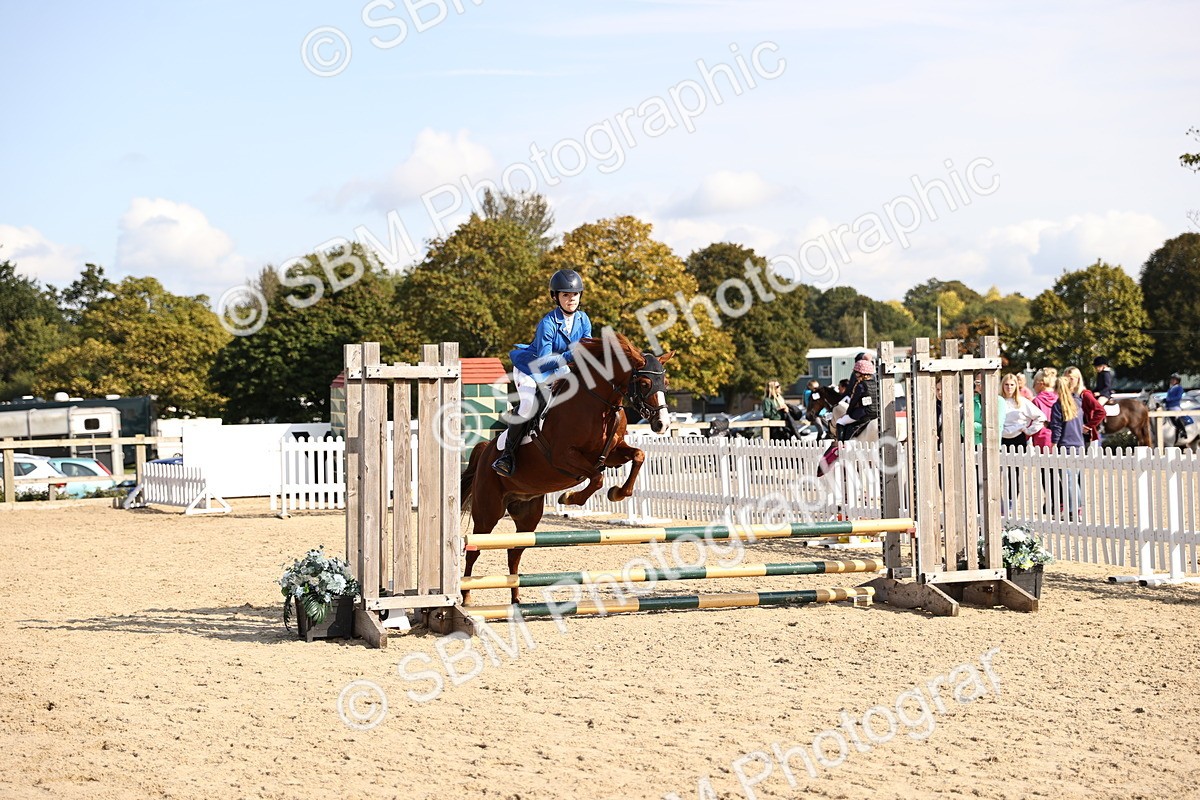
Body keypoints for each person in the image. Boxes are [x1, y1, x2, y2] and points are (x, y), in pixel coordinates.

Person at [492, 268, 593, 476]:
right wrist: (571, 356)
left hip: (559, 366)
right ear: (555, 297)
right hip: (531, 368)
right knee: (529, 405)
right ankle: (507, 456)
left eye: (575, 294)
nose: (571, 299)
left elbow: (586, 349)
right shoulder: (548, 323)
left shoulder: (583, 319)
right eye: (565, 295)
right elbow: (544, 362)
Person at [1049, 371, 1085, 521]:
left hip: (1065, 445)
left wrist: (1053, 444)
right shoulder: (1078, 402)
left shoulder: (1058, 406)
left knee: (1069, 480)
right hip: (1079, 444)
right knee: (1076, 479)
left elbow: (1057, 427)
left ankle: (1072, 510)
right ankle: (1078, 509)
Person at [1063, 366, 1106, 451]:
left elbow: (1101, 411)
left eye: (1071, 378)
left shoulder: (1085, 394)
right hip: (1071, 436)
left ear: (1078, 379)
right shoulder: (1066, 395)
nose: (1068, 381)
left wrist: (1088, 426)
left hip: (1086, 437)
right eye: (1066, 379)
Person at [837, 358, 878, 441]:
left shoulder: (860, 385)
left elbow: (853, 401)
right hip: (876, 413)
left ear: (860, 373)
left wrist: (848, 413)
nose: (855, 374)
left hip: (864, 414)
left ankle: (841, 444)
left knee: (840, 421)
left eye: (856, 372)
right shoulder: (876, 384)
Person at [1029, 368, 1058, 451]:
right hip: (1057, 436)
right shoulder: (1058, 399)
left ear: (1040, 384)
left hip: (1041, 435)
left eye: (1034, 383)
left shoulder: (1037, 400)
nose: (1033, 386)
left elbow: (1031, 421)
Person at [1164, 373, 1189, 445]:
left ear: (1177, 381)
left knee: (1177, 418)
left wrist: (1168, 399)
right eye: (1171, 379)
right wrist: (1164, 400)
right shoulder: (1170, 388)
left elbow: (1178, 397)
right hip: (1168, 407)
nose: (1171, 381)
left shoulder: (1179, 388)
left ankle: (1183, 431)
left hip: (1175, 406)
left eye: (1173, 379)